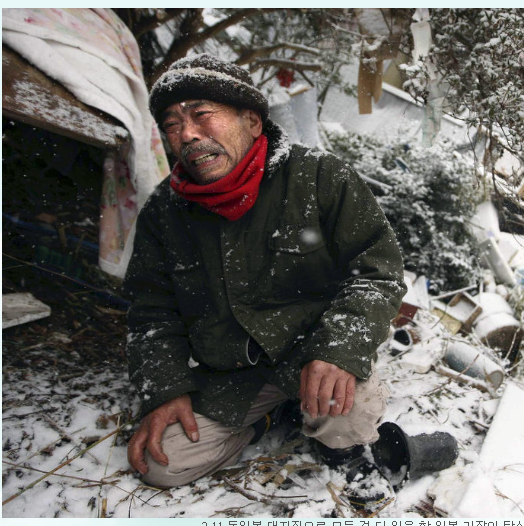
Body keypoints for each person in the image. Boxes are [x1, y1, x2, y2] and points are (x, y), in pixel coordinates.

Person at [123, 54, 406, 493]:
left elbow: (377, 272)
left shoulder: (321, 177)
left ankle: (333, 441)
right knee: (161, 464)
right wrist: (166, 389)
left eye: (202, 115)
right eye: (172, 125)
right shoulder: (164, 212)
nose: (188, 134)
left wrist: (338, 351)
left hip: (314, 354)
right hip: (229, 374)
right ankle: (270, 419)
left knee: (349, 415)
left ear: (252, 122)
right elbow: (151, 311)